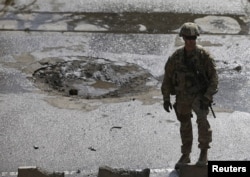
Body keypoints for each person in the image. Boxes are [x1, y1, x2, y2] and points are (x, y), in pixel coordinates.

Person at [161, 22, 218, 169]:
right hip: (182, 97)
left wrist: (207, 97)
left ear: (196, 38)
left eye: (193, 38)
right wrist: (166, 98)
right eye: (187, 38)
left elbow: (214, 79)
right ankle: (185, 154)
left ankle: (203, 152)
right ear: (183, 38)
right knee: (185, 125)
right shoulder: (176, 57)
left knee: (202, 122)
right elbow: (167, 78)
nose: (190, 41)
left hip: (199, 96)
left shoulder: (204, 56)